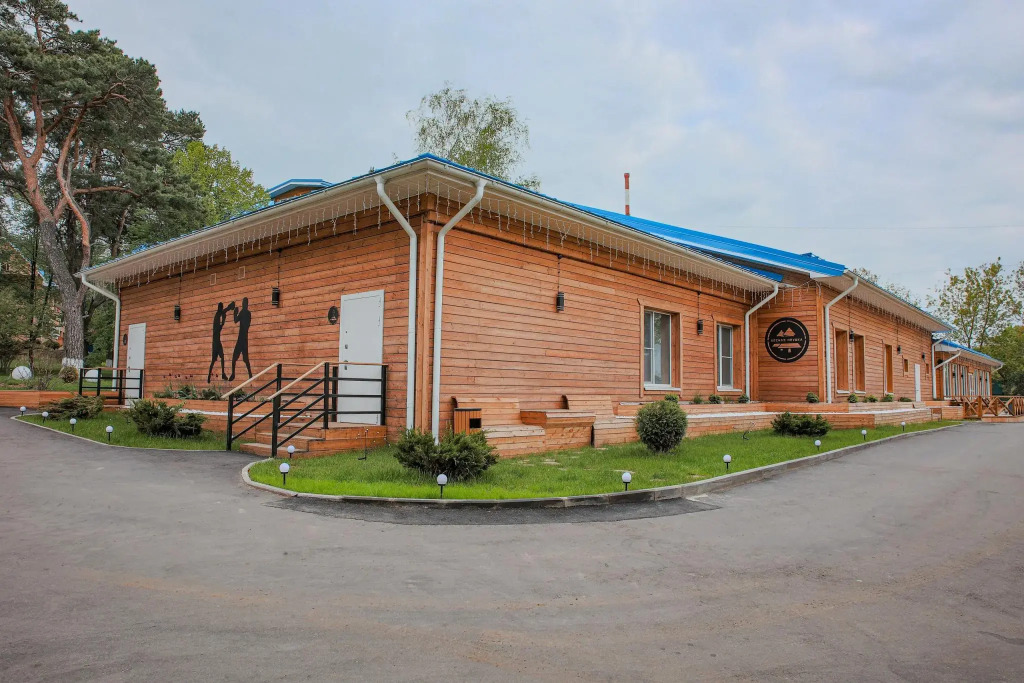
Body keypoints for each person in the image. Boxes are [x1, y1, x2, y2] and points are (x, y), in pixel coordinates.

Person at [207, 301, 234, 382]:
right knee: (214, 360)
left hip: (216, 341)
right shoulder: (217, 316)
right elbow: (217, 330)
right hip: (216, 342)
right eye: (221, 308)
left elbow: (223, 312)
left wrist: (229, 308)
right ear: (219, 308)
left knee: (221, 357)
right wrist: (223, 323)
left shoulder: (218, 314)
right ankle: (209, 376)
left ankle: (222, 374)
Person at [229, 297, 252, 381]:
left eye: (244, 303)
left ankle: (234, 374)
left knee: (236, 358)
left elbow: (235, 320)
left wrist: (235, 312)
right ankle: (249, 374)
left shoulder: (243, 312)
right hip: (244, 338)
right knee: (245, 359)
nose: (243, 304)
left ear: (245, 304)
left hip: (241, 339)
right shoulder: (248, 313)